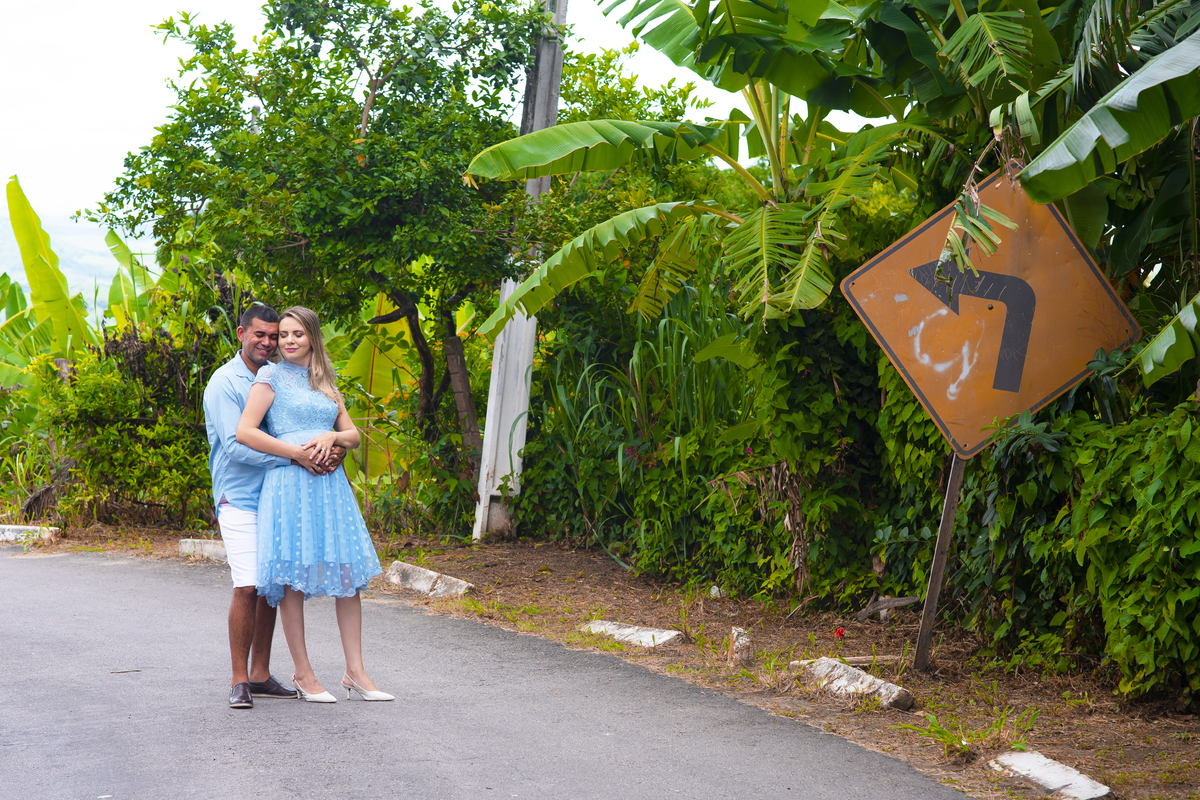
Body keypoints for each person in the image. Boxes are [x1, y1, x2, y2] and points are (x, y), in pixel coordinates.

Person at [235, 305, 391, 703]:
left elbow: (353, 435)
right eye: (283, 334)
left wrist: (332, 438)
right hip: (289, 482)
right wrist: (298, 453)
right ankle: (304, 674)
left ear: (312, 338)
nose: (287, 341)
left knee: (347, 574)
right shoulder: (269, 376)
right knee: (292, 578)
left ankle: (355, 672)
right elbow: (246, 432)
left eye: (296, 334)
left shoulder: (325, 382)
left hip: (330, 487)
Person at [202, 304, 346, 709]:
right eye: (260, 335)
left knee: (274, 586)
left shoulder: (288, 376)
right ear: (241, 333)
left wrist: (331, 451)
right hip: (242, 497)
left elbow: (317, 424)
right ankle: (238, 679)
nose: (268, 342)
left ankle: (261, 674)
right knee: (248, 584)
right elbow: (235, 445)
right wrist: (297, 457)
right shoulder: (224, 383)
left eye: (274, 335)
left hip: (283, 495)